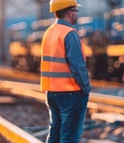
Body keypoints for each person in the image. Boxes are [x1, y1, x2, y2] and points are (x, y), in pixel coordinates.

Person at [40, 0, 91, 142]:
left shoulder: (49, 32)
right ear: (69, 13)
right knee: (69, 136)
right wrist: (86, 87)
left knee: (54, 134)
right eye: (76, 11)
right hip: (70, 93)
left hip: (51, 93)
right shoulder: (69, 33)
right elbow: (77, 66)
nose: (77, 14)